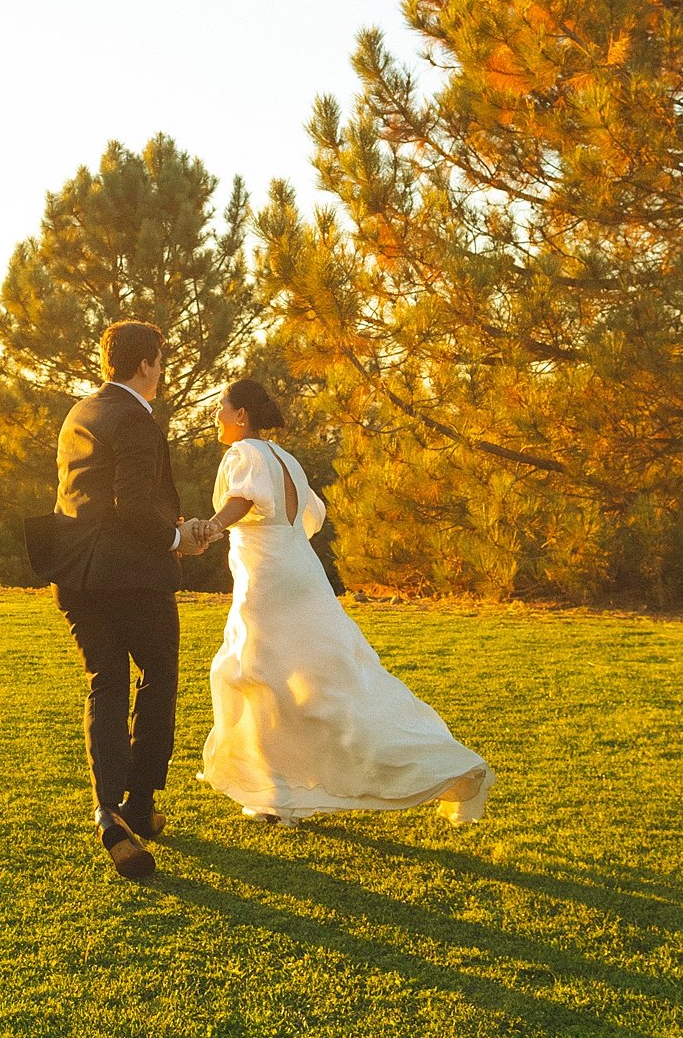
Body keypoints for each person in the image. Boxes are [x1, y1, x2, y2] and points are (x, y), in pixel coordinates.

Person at [197, 378, 493, 826]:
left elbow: (244, 497)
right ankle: (279, 795)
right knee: (317, 678)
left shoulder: (244, 453)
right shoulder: (288, 460)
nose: (216, 415)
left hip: (268, 578)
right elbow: (311, 517)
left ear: (241, 415)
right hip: (302, 570)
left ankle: (277, 791)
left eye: (221, 406)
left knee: (251, 673)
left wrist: (213, 528)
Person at [24, 320, 211, 880]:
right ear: (145, 364)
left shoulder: (81, 412)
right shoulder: (136, 418)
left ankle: (109, 813)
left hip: (76, 573)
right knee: (158, 675)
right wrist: (178, 537)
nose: (163, 370)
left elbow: (96, 499)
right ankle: (141, 800)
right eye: (161, 360)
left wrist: (166, 525)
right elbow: (131, 504)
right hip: (132, 574)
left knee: (105, 683)